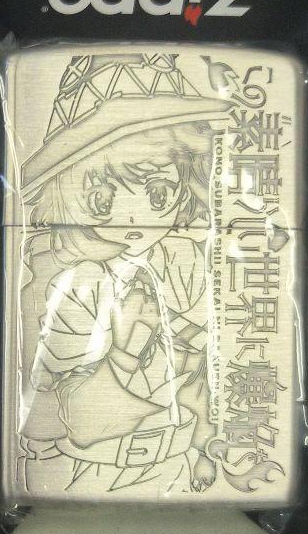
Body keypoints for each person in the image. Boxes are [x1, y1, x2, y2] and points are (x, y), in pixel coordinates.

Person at [13, 52, 229, 500]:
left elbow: (201, 362)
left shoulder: (181, 260)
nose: (133, 217)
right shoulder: (62, 281)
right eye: (102, 197)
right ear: (67, 191)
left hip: (175, 464)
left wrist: (203, 444)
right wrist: (125, 353)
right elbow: (45, 408)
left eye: (158, 193)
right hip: (85, 472)